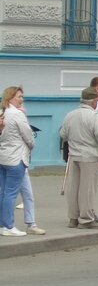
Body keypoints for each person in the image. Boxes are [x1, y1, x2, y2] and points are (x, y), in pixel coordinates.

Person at [58, 87, 98, 230]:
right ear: (94, 101)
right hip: (91, 157)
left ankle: (73, 218)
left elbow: (63, 134)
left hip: (74, 156)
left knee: (73, 188)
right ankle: (86, 219)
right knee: (87, 189)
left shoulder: (70, 115)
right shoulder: (94, 117)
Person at [1, 86, 37, 237]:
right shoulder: (17, 115)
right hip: (17, 158)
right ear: (10, 98)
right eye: (19, 96)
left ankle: (3, 225)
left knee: (3, 192)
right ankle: (9, 225)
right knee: (10, 193)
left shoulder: (3, 113)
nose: (22, 99)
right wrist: (31, 145)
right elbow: (28, 136)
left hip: (3, 157)